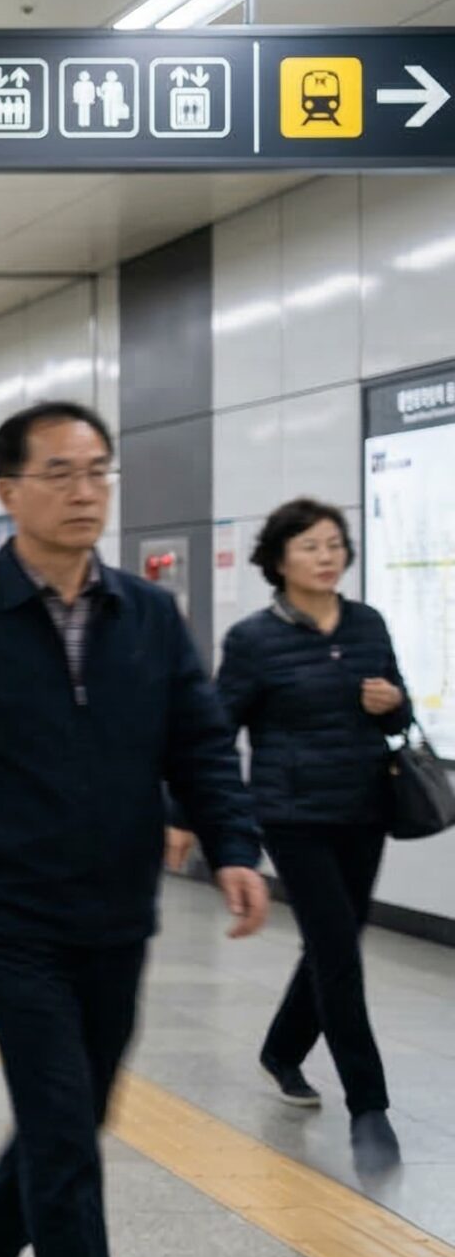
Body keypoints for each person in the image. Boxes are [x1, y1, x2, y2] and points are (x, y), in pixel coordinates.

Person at [0, 402, 269, 1257]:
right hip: (9, 911)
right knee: (59, 1123)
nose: (85, 492)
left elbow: (199, 744)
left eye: (97, 471)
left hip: (118, 904)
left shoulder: (150, 614)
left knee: (81, 1108)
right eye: (60, 473)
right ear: (9, 492)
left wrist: (236, 845)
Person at [191, 498, 408, 1171]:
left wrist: (392, 703)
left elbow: (398, 699)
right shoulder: (254, 639)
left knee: (334, 941)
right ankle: (370, 1108)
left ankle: (282, 1050)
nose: (327, 555)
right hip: (292, 814)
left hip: (365, 807)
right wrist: (192, 813)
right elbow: (215, 727)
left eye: (335, 544)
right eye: (311, 546)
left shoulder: (368, 622)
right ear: (280, 559)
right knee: (338, 950)